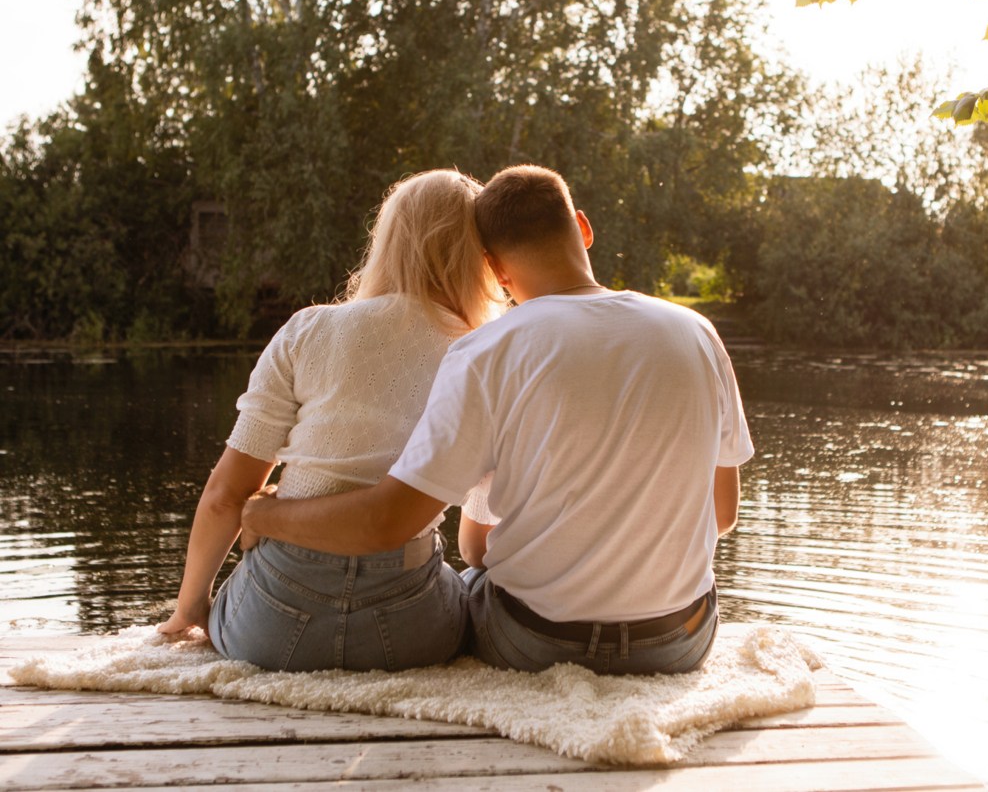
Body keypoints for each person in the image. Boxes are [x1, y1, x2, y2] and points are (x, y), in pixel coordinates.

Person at [242, 164, 754, 675]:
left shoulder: (486, 351)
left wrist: (264, 515)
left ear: (494, 267)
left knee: (464, 588)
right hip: (677, 640)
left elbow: (440, 537)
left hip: (536, 644)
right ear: (583, 227)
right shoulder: (697, 333)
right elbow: (723, 513)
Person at [157, 169, 501, 672]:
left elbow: (225, 495)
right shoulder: (487, 355)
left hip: (271, 621)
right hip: (408, 628)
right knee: (469, 585)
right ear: (479, 260)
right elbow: (479, 537)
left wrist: (189, 611)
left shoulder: (309, 330)